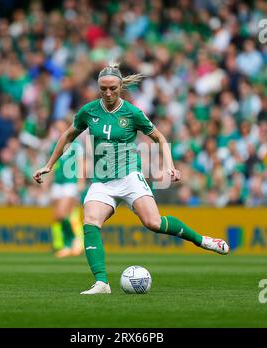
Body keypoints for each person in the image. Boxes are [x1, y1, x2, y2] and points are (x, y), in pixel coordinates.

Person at [33, 62, 229, 295]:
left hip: (129, 177)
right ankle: (101, 283)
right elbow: (67, 135)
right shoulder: (88, 111)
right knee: (90, 221)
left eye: (113, 89)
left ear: (120, 87)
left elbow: (159, 138)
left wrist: (170, 167)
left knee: (153, 223)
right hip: (102, 181)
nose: (108, 93)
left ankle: (202, 240)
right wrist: (48, 164)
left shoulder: (132, 112)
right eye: (103, 88)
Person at [49, 120, 85, 258]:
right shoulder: (55, 145)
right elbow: (54, 164)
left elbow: (81, 163)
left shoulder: (75, 144)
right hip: (58, 183)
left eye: (60, 128)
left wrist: (81, 181)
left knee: (62, 214)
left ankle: (72, 243)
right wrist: (47, 179)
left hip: (70, 182)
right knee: (57, 216)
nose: (58, 131)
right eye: (56, 129)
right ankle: (68, 244)